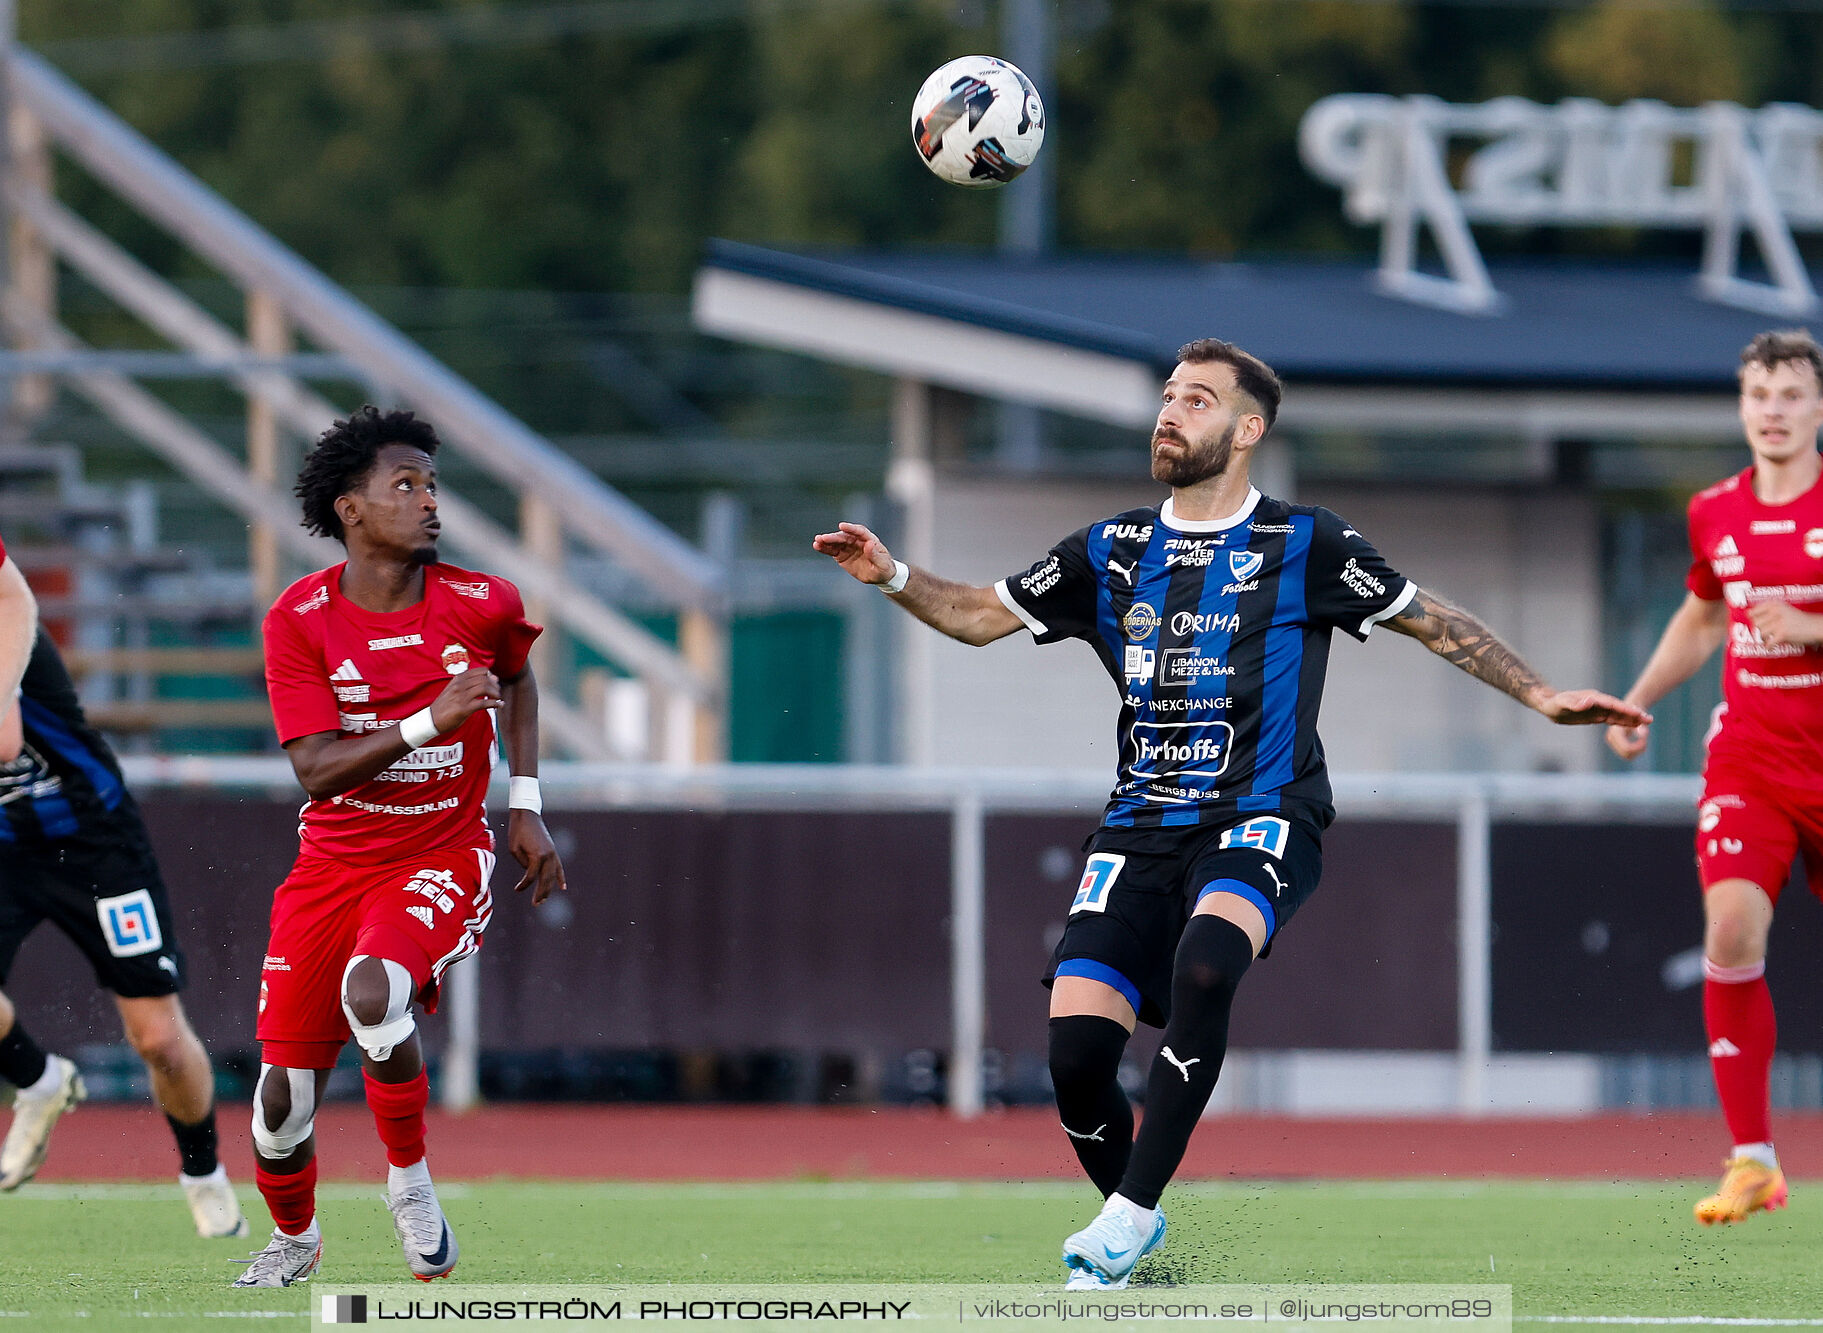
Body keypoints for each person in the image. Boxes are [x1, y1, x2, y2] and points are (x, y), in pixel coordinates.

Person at [815, 338, 1647, 1289]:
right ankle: (1137, 1241)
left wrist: (1543, 697)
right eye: (1168, 396)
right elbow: (976, 614)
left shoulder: (1306, 542)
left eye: (1197, 401)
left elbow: (1430, 618)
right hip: (1136, 827)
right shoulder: (1110, 549)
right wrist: (889, 573)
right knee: (1077, 1055)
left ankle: (1124, 1219)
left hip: (1264, 812)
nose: (1170, 413)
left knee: (1206, 963)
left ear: (1247, 429)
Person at [234, 405, 566, 1288]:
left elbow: (520, 682)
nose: (429, 502)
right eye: (406, 485)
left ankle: (409, 1182)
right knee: (278, 1108)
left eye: (431, 484)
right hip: (328, 867)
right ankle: (295, 1238)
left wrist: (525, 805)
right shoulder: (298, 616)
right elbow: (314, 771)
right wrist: (429, 718)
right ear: (351, 508)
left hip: (439, 853)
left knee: (373, 990)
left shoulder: (483, 600)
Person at [1606, 328, 1823, 1227]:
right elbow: (1702, 618)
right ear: (1741, 406)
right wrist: (1636, 698)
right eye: (1757, 395)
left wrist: (1811, 625)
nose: (1771, 411)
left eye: (1789, 395)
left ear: (1817, 407)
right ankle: (1753, 1160)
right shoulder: (1715, 511)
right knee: (1729, 925)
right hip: (1752, 761)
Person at [0, 535, 247, 1238]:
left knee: (158, 1036)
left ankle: (202, 1171)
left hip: (90, 836)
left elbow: (3, 739)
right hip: (3, 841)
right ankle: (41, 1078)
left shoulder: (4, 619)